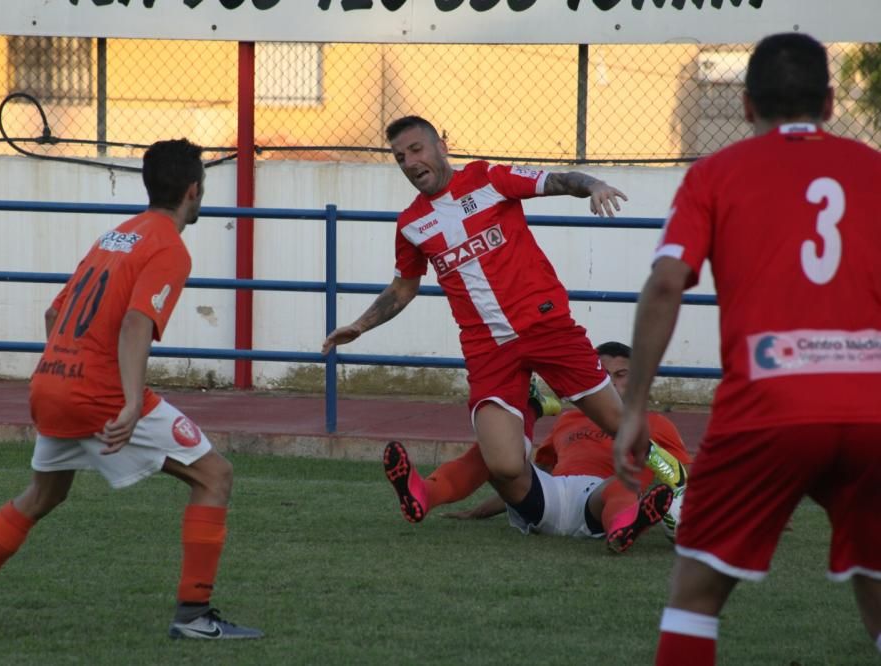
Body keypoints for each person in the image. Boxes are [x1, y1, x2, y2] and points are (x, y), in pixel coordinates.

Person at [0, 139, 263, 641]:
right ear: (194, 190)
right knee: (215, 476)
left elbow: (54, 313)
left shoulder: (115, 237)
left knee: (43, 494)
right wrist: (128, 401)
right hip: (98, 393)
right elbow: (134, 322)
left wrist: (65, 374)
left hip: (51, 384)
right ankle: (194, 615)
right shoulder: (169, 246)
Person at [612, 33, 881, 664]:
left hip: (767, 408)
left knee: (695, 596)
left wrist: (634, 409)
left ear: (745, 106)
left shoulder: (715, 174)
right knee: (876, 584)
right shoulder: (874, 170)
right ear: (832, 101)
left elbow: (666, 284)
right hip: (872, 408)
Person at [322, 116, 644, 539]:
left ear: (442, 144)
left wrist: (594, 186)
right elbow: (404, 287)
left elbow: (561, 180)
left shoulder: (490, 178)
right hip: (488, 350)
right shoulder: (411, 225)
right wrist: (360, 326)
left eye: (416, 149)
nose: (410, 162)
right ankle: (531, 416)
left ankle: (671, 496)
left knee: (624, 426)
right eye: (400, 158)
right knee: (506, 464)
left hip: (548, 329)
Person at [385, 342, 692, 553]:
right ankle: (426, 493)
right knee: (494, 453)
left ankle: (622, 528)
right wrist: (477, 513)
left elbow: (681, 479)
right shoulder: (569, 420)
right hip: (551, 498)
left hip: (599, 500)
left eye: (621, 376)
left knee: (622, 484)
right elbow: (540, 470)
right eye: (603, 375)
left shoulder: (656, 424)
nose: (611, 383)